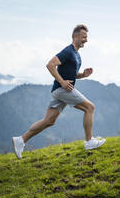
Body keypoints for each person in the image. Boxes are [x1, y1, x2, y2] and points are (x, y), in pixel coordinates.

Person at [12, 24, 106, 159]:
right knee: (90, 108)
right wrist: (62, 82)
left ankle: (20, 140)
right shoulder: (68, 51)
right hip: (62, 89)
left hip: (59, 91)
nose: (86, 40)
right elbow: (50, 65)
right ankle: (89, 141)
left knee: (49, 121)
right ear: (75, 36)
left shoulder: (77, 55)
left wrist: (82, 75)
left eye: (86, 37)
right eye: (83, 37)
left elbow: (70, 74)